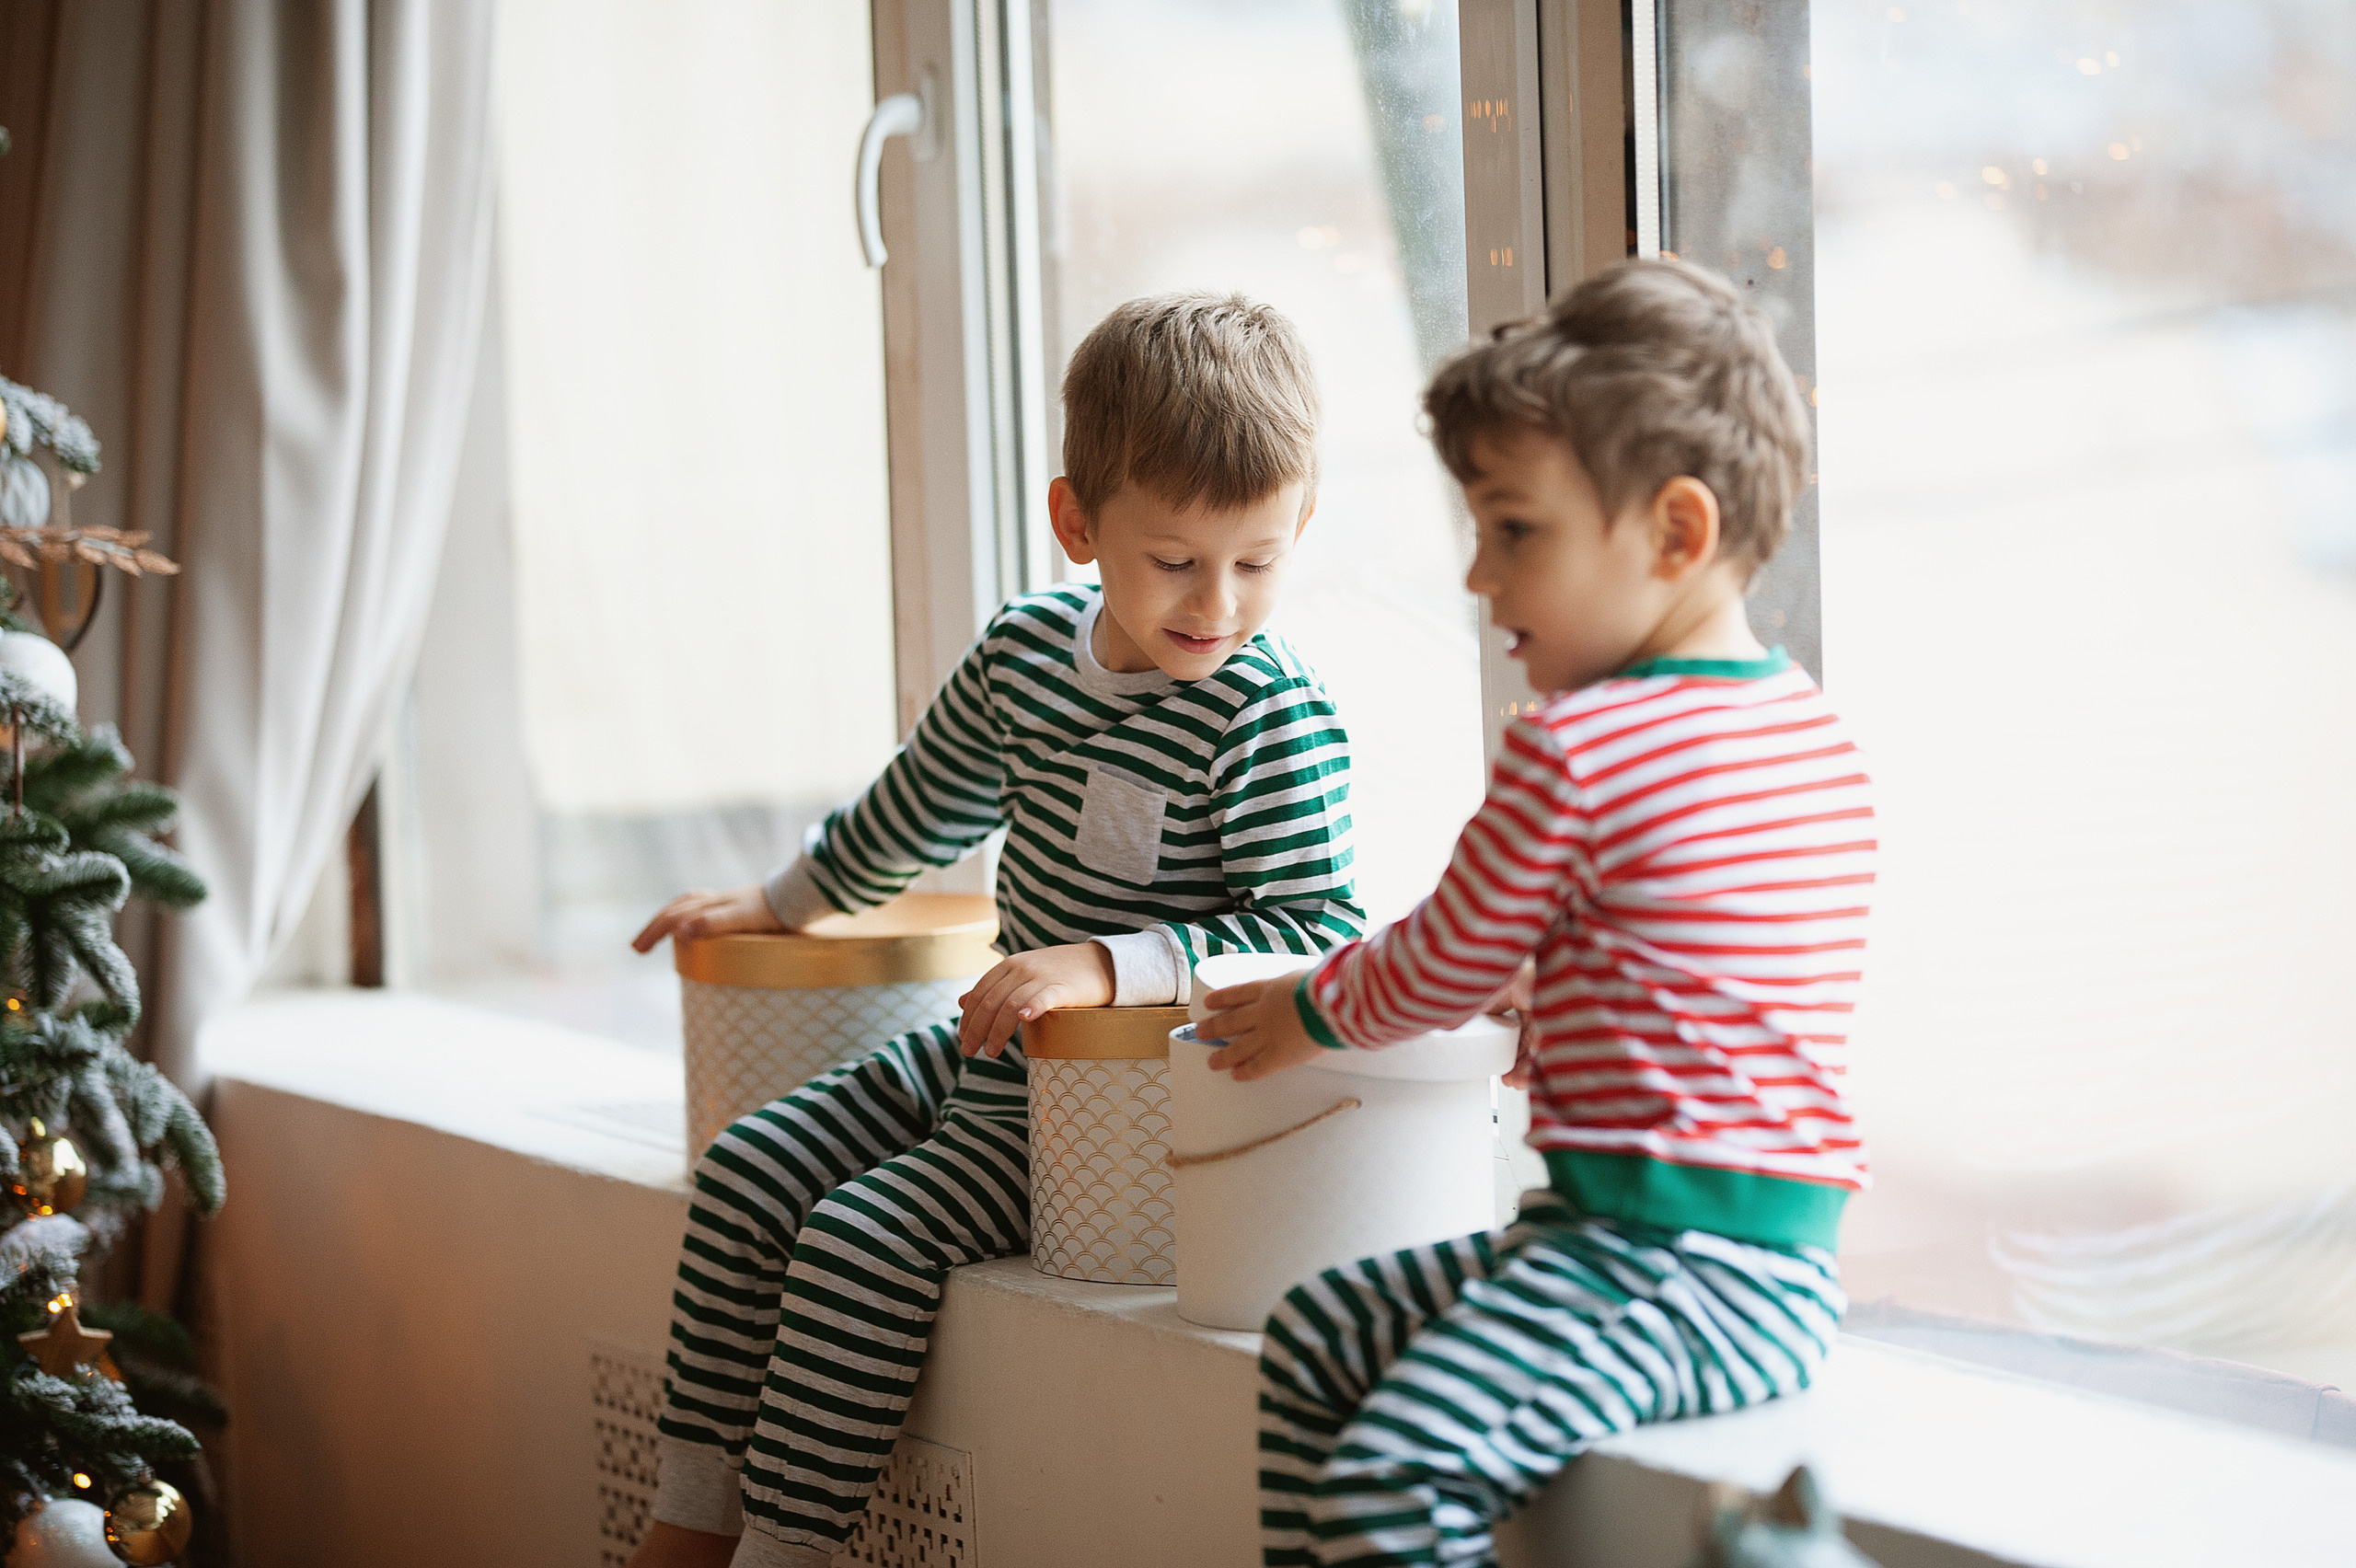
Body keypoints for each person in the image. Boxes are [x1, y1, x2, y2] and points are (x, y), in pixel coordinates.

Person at [628, 291, 1365, 1568]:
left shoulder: (1271, 712)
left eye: (1259, 559)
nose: (1220, 601)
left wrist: (1105, 965)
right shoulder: (1026, 656)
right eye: (1175, 560)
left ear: (1301, 524)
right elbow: (920, 804)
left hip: (1110, 1114)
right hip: (981, 1058)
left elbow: (1316, 924)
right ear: (1077, 522)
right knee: (748, 1170)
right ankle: (688, 1517)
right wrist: (779, 903)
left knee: (862, 1243)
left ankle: (786, 1551)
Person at [1197, 259, 1877, 1567]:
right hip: (1754, 1261)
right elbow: (1697, 958)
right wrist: (1556, 973)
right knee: (1316, 1338)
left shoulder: (1582, 747)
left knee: (1387, 1484)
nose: (1475, 576)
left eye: (1516, 532)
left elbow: (1441, 965)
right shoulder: (1805, 732)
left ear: (1675, 534)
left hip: (1663, 1260)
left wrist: (1305, 1009)